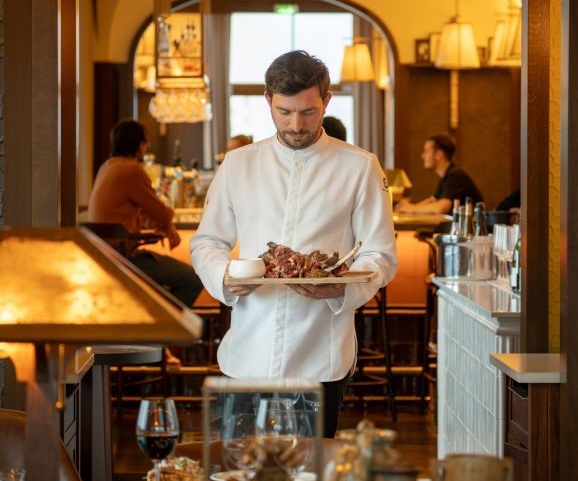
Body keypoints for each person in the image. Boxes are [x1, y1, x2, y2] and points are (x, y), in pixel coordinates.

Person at [190, 50, 397, 437]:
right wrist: (224, 277)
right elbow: (208, 241)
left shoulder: (361, 167)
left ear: (327, 102)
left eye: (307, 112)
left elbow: (380, 254)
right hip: (247, 353)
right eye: (285, 112)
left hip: (321, 355)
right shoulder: (237, 165)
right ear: (268, 100)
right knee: (242, 475)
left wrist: (341, 290)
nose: (296, 124)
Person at [88, 119, 203, 308]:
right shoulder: (132, 170)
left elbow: (141, 214)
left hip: (103, 256)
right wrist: (167, 224)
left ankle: (152, 315)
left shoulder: (107, 166)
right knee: (193, 279)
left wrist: (164, 224)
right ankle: (162, 324)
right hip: (124, 258)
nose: (148, 147)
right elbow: (164, 213)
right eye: (146, 143)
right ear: (140, 145)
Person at [395, 132, 483, 215]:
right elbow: (433, 200)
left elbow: (441, 207)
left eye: (426, 151)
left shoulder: (454, 176)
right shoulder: (447, 175)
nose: (422, 156)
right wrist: (408, 207)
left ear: (438, 155)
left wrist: (411, 208)